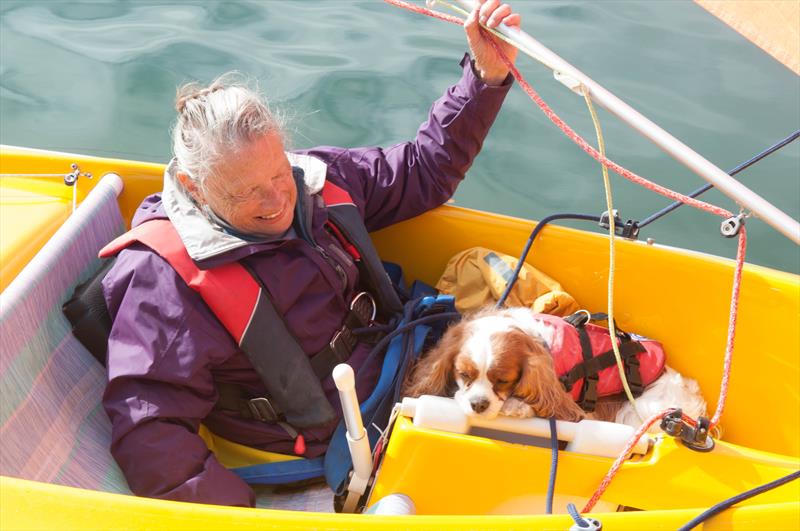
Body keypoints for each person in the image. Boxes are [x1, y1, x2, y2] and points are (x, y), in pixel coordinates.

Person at [101, 0, 521, 507]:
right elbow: (150, 432)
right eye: (249, 192)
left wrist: (484, 76)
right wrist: (241, 518)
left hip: (402, 359)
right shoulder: (162, 280)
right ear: (194, 186)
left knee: (560, 356)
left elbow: (422, 171)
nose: (279, 200)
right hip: (334, 437)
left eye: (278, 173)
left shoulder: (314, 179)